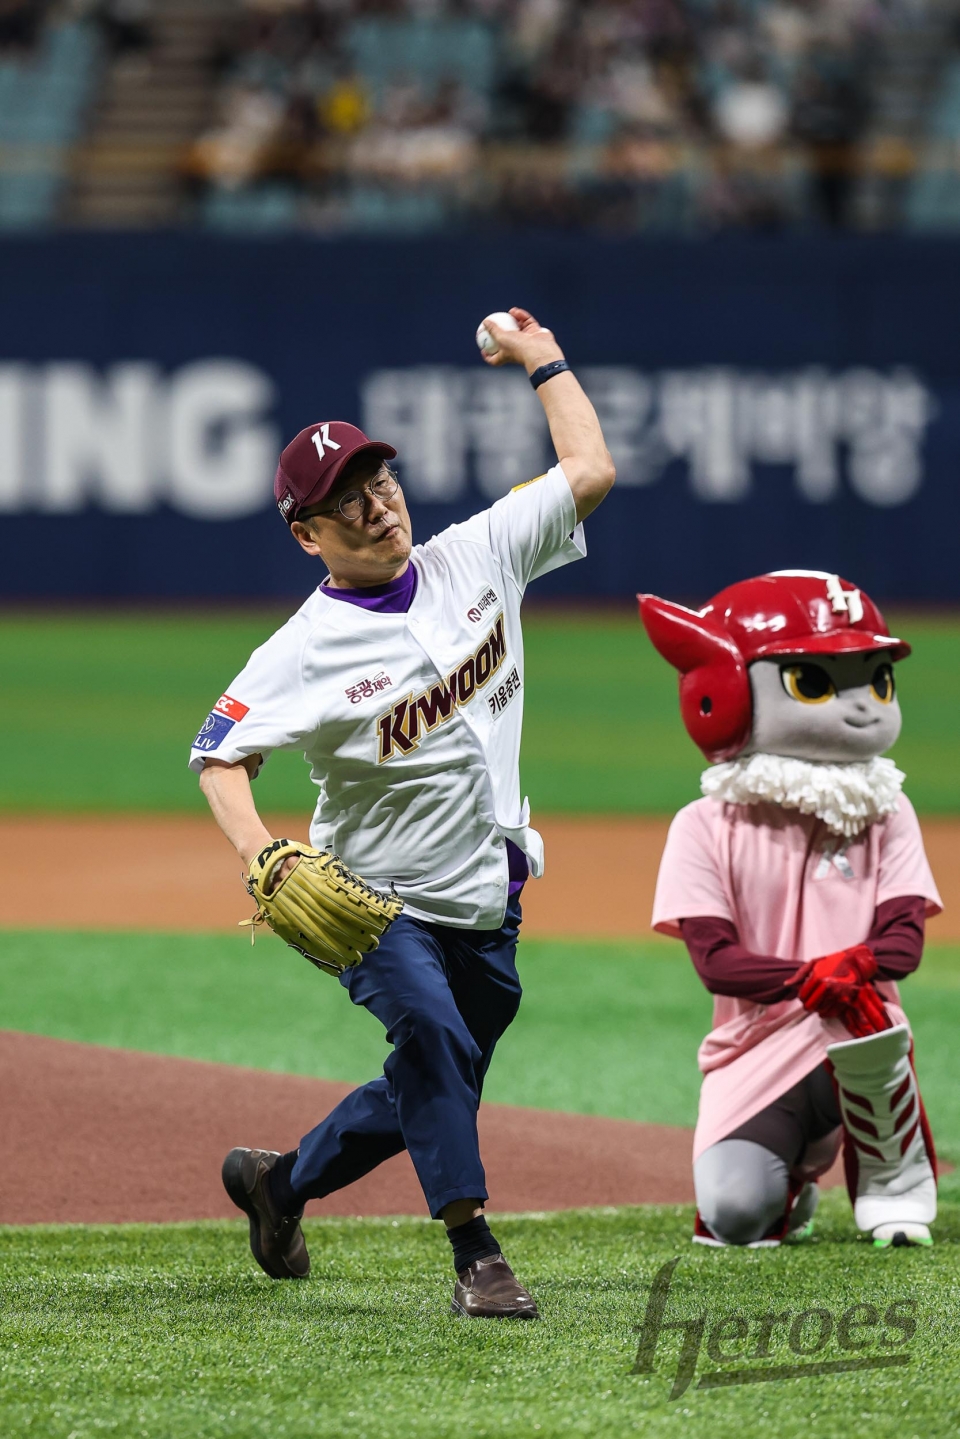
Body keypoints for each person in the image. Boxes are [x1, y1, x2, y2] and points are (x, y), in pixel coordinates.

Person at [189, 308, 615, 1317]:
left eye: (380, 481)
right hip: (374, 901)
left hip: (487, 893)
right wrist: (263, 852)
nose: (378, 506)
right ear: (308, 536)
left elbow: (588, 468)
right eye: (346, 502)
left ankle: (278, 1183)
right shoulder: (299, 650)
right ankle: (477, 1253)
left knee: (437, 1080)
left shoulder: (478, 553)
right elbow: (218, 753)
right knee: (429, 1033)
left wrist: (542, 359)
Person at [640, 570, 942, 1249]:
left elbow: (903, 943)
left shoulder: (888, 811)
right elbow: (716, 961)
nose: (864, 706)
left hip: (862, 1046)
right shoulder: (703, 825)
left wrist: (850, 967)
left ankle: (885, 1173)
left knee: (896, 1188)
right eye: (815, 680)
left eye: (878, 679)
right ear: (727, 692)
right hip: (754, 1050)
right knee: (736, 1216)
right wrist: (812, 979)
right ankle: (793, 1179)